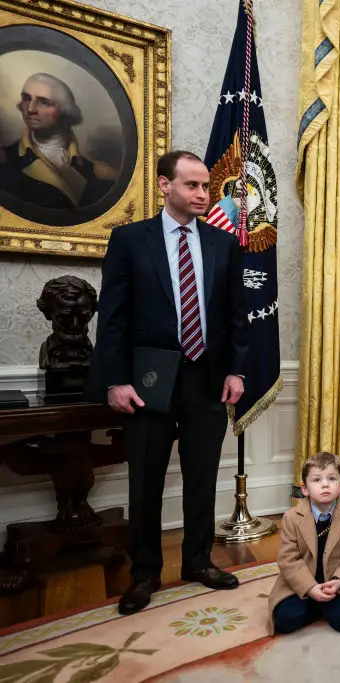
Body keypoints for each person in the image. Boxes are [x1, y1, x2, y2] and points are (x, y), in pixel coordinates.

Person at [95, 150, 249, 615]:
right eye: (192, 186)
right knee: (146, 478)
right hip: (149, 379)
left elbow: (235, 316)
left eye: (205, 187)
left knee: (202, 475)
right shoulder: (130, 240)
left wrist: (236, 370)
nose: (203, 194)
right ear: (165, 185)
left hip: (207, 378)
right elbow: (114, 317)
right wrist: (116, 380)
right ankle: (144, 573)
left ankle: (198, 562)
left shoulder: (223, 243)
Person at [267, 451, 340, 634]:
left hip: (337, 582)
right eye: (317, 480)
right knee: (284, 620)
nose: (325, 484)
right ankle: (317, 604)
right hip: (303, 580)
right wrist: (309, 588)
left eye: (332, 478)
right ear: (305, 489)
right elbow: (288, 560)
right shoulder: (291, 518)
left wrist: (339, 581)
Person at [0, 73, 116, 209]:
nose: (30, 109)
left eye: (43, 102)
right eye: (26, 98)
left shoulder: (99, 172)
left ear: (65, 111)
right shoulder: (6, 159)